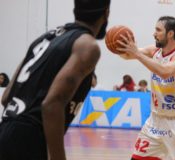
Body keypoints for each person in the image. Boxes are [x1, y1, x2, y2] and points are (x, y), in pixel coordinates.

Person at [0, 0, 110, 159]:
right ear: (106, 12)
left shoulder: (45, 38)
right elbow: (52, 104)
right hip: (29, 140)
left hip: (5, 132)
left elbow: (6, 97)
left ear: (75, 9)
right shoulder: (87, 45)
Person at [117, 16, 175, 160]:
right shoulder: (154, 51)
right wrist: (119, 45)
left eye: (158, 30)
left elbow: (165, 72)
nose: (154, 33)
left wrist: (137, 54)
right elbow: (127, 56)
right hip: (155, 120)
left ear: (170, 33)